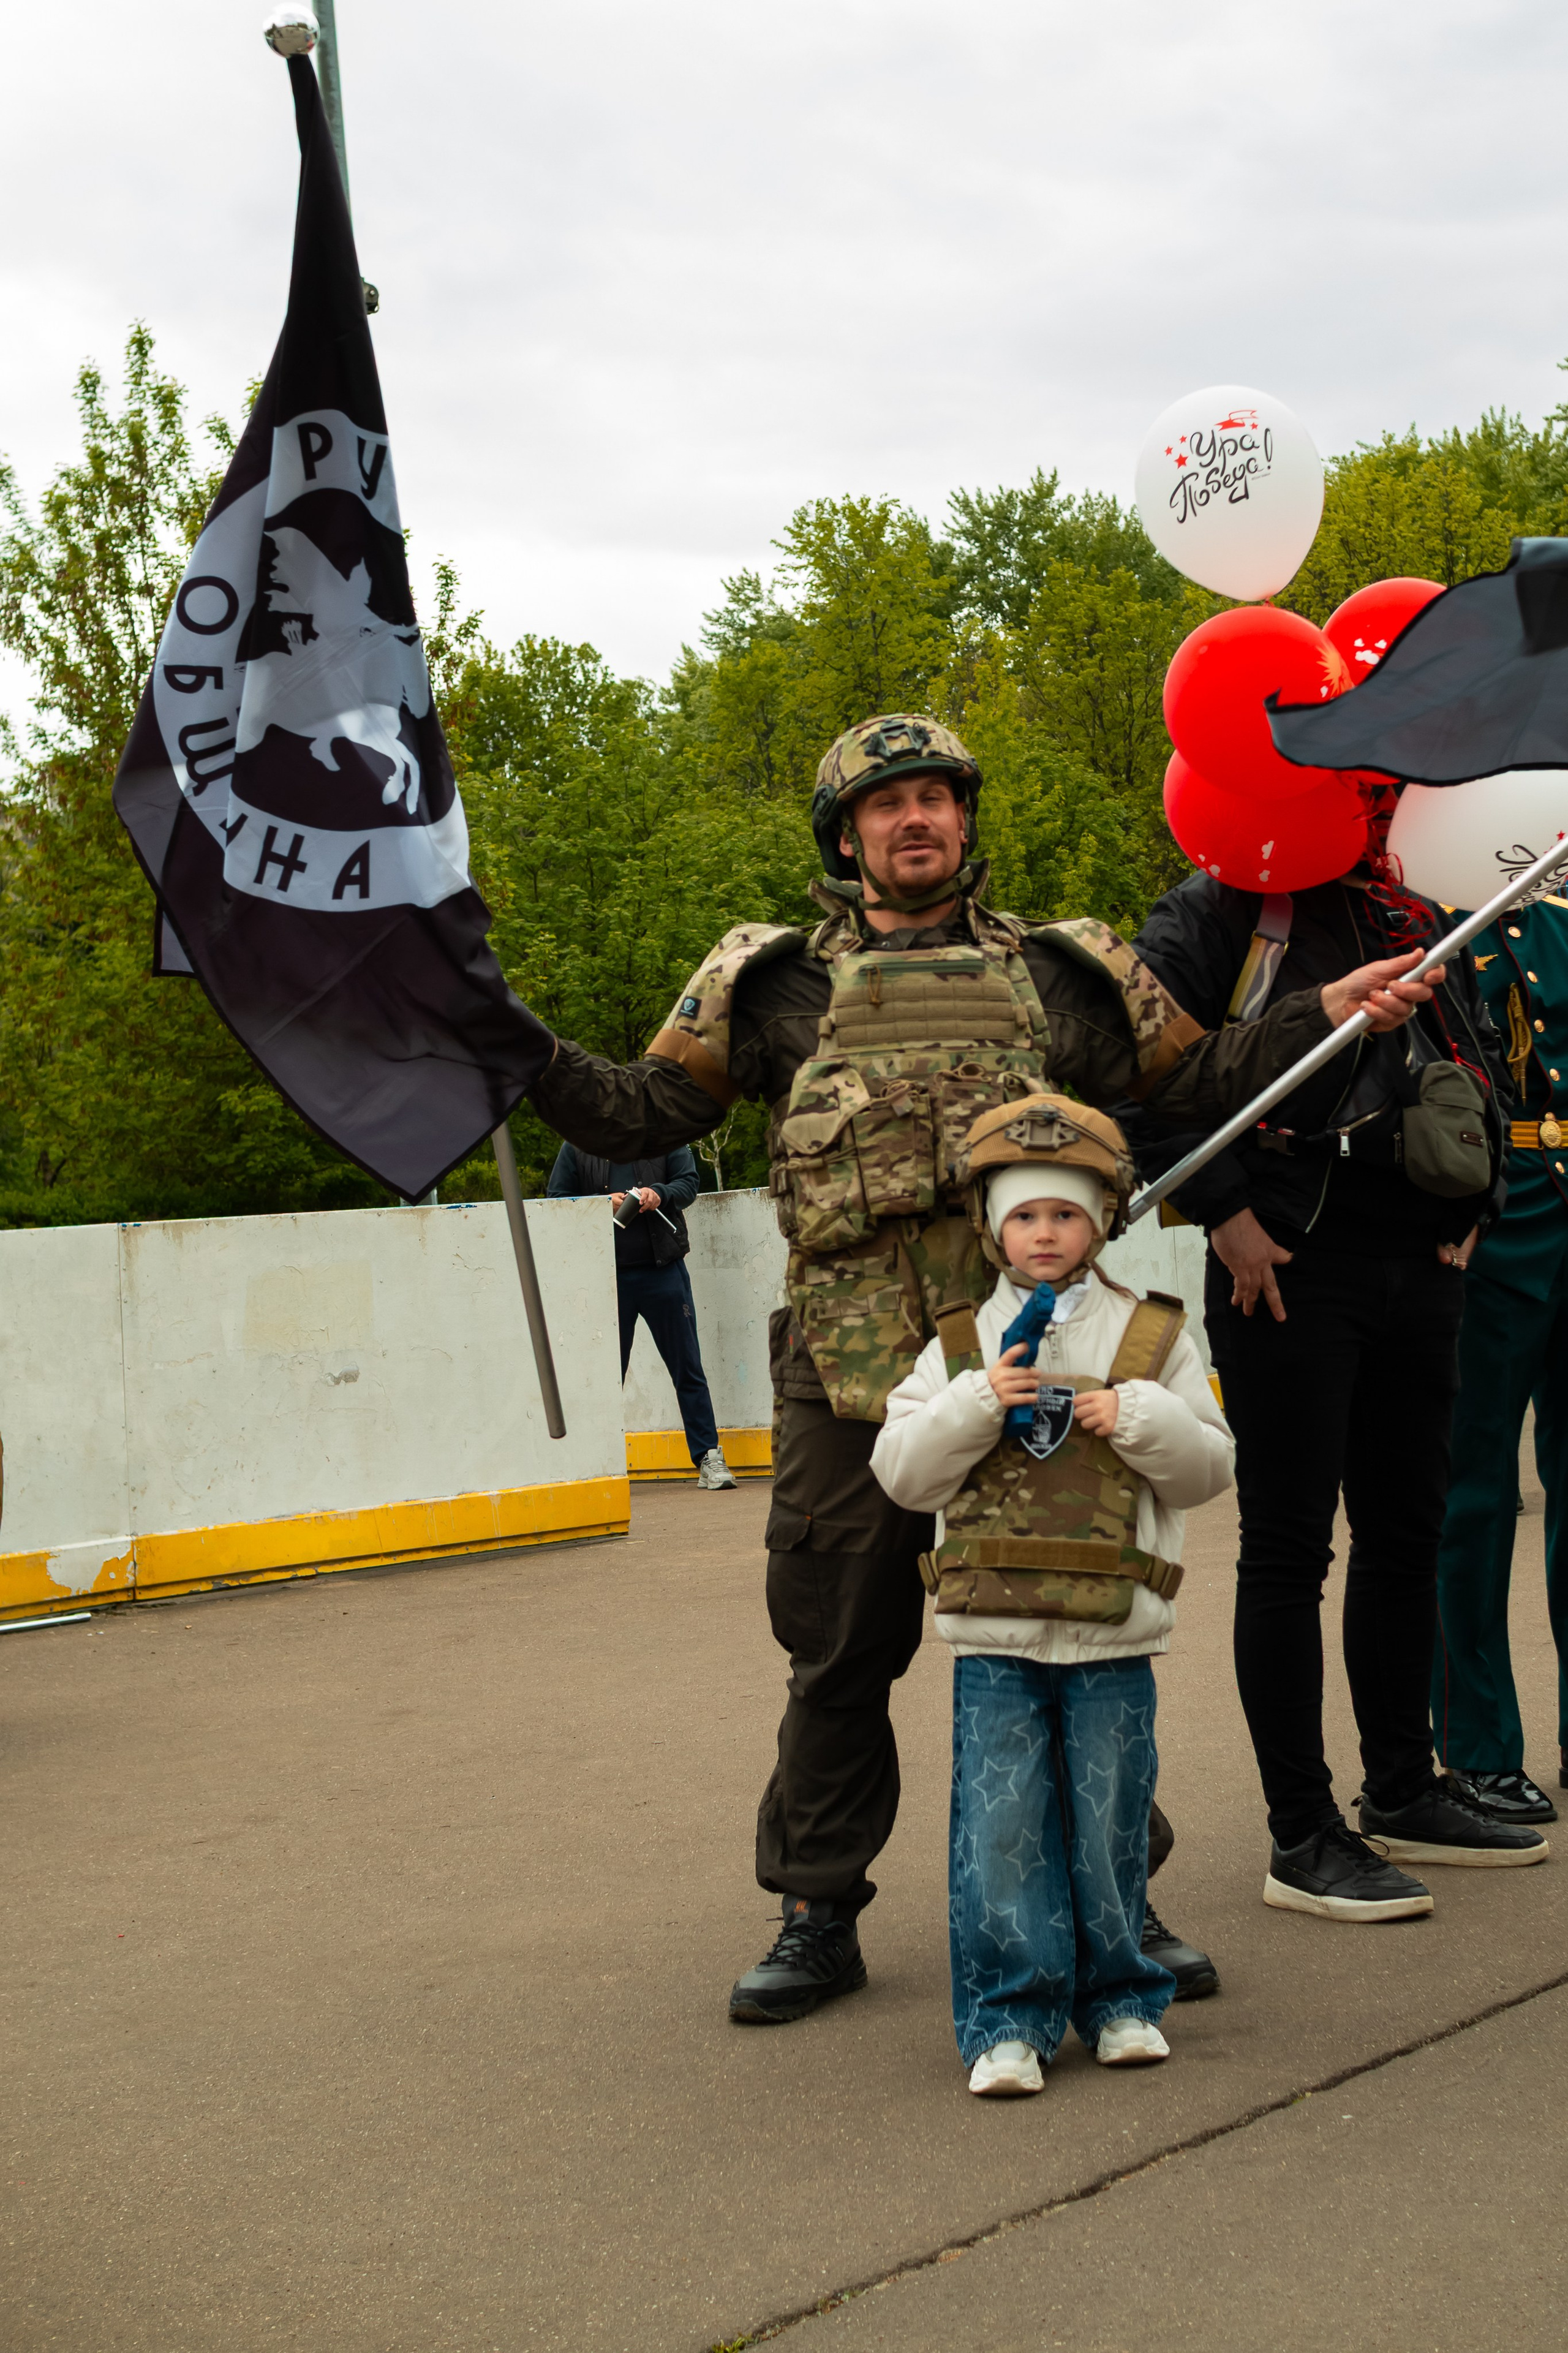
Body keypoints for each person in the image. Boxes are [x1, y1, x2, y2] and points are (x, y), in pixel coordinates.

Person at [526, 711, 1455, 2015]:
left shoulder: (1060, 975)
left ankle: (1117, 1897)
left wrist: (1325, 1007)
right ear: (843, 835)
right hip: (847, 1379)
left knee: (1064, 1625)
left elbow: (1199, 1080)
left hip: (1029, 1373)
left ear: (965, 821)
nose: (914, 820)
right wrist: (511, 1044)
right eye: (884, 803)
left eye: (935, 799)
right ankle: (816, 1910)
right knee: (841, 1646)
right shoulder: (768, 983)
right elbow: (635, 1112)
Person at [1122, 845, 1550, 1925]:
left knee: (1407, 1535)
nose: (1373, 802)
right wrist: (1224, 1212)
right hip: (1290, 1263)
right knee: (1289, 1547)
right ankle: (1302, 1830)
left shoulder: (1410, 906)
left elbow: (1477, 1065)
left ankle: (1402, 1788)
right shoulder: (1227, 906)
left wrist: (1475, 1205)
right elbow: (1142, 1070)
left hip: (1421, 1262)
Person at [870, 1097, 1234, 2094]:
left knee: (1111, 1820)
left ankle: (1120, 1999)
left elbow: (1209, 1469)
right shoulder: (956, 1342)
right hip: (995, 1635)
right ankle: (1006, 2022)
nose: (1044, 1233)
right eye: (1024, 1215)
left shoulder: (1155, 1336)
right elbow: (903, 1472)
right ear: (993, 1225)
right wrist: (979, 1397)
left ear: (1102, 1220)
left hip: (1113, 1638)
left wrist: (1145, 1415)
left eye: (1066, 1215)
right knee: (1000, 1829)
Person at [1431, 888, 1568, 1821]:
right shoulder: (1427, 915)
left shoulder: (1556, 905)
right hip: (1488, 1211)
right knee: (1473, 1492)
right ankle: (1477, 1745)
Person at [546, 1142, 737, 1490]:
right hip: (604, 1279)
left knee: (687, 1367)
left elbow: (689, 1183)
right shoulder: (578, 1142)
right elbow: (557, 1198)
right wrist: (603, 1205)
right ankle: (596, 1467)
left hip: (664, 1271)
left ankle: (709, 1456)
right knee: (604, 1378)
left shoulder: (665, 1135)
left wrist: (657, 1194)